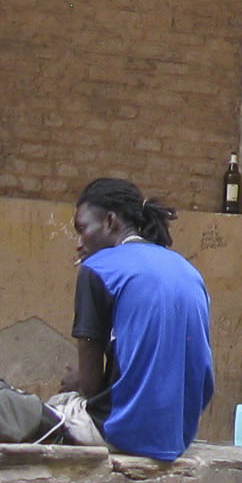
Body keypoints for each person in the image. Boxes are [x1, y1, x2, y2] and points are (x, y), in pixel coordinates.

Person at [59, 176, 214, 461]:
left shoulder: (98, 268)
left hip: (122, 432)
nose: (79, 244)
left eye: (83, 230)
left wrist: (76, 380)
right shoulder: (188, 270)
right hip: (178, 436)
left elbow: (91, 386)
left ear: (110, 221)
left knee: (45, 412)